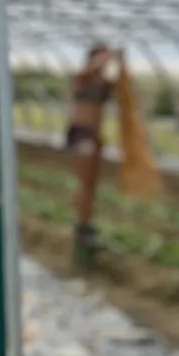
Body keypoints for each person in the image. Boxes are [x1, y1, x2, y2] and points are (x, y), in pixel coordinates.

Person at [67, 43, 123, 250]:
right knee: (83, 183)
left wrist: (120, 62)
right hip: (82, 132)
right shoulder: (83, 78)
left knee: (91, 184)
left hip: (95, 134)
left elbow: (122, 85)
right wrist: (109, 55)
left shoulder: (103, 82)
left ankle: (86, 223)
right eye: (100, 58)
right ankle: (81, 223)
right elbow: (87, 70)